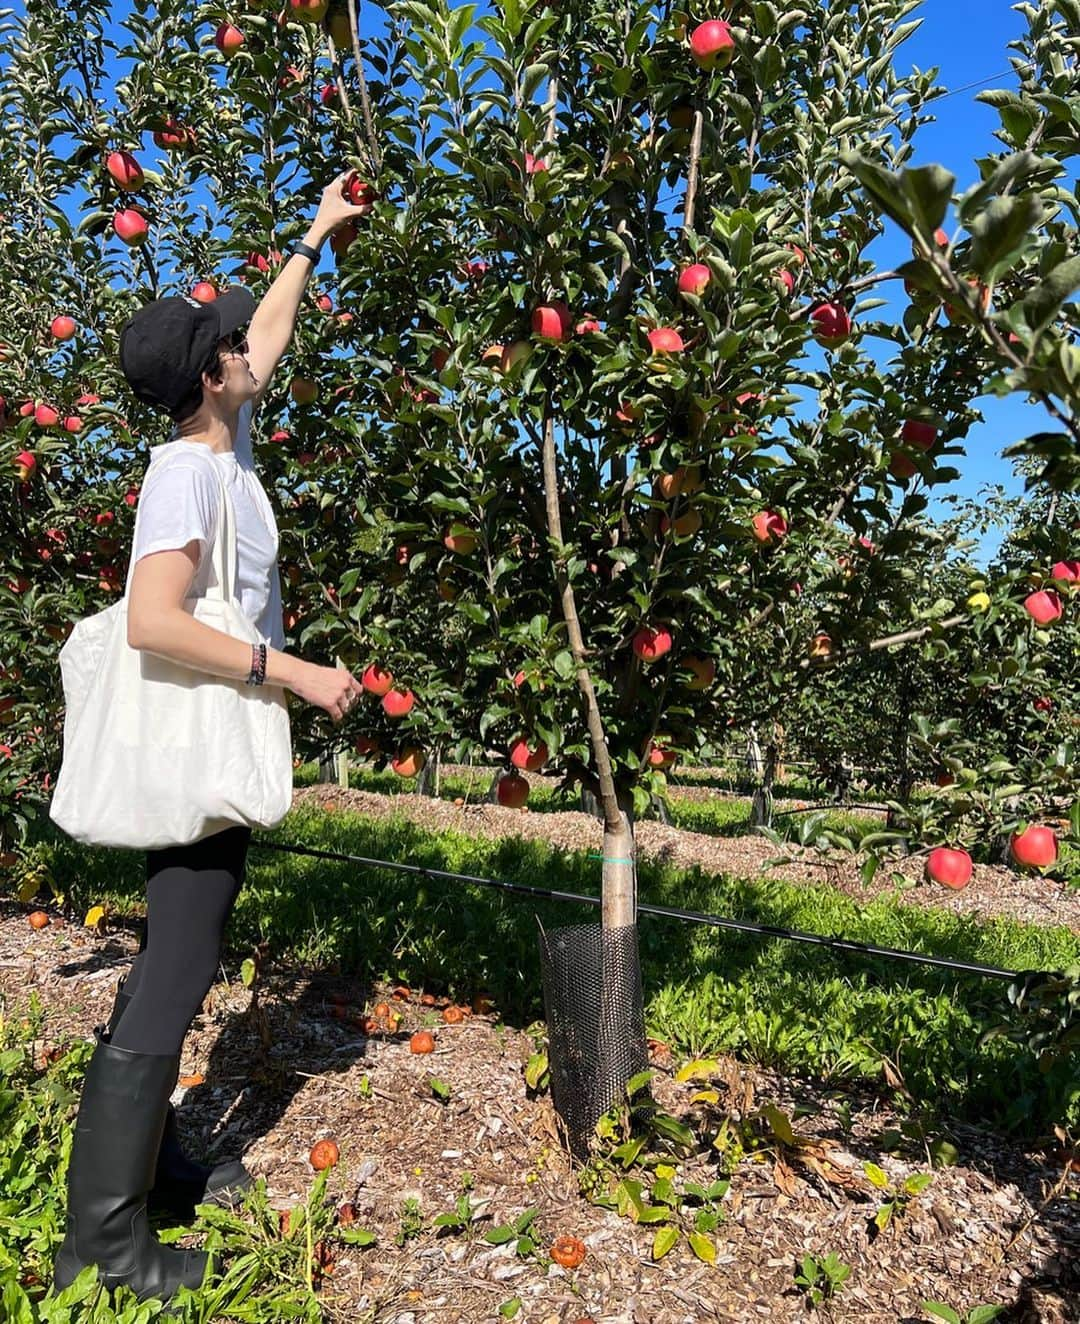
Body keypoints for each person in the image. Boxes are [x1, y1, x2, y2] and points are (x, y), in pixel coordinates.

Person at [52, 172, 372, 1306]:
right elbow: (153, 619)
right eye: (228, 343)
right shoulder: (188, 475)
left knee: (180, 954)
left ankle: (156, 1163)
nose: (247, 346)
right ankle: (104, 1243)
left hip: (208, 740)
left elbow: (267, 335)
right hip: (196, 740)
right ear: (208, 376)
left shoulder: (218, 439)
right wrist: (297, 674)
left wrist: (317, 236)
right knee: (177, 969)